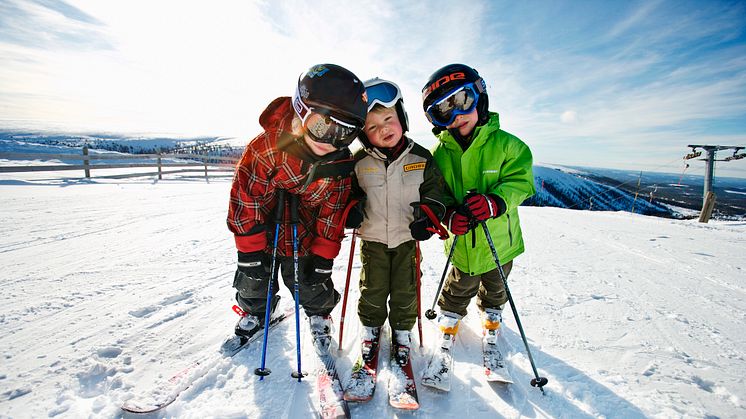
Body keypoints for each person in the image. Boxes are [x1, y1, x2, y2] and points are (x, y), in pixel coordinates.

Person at [227, 63, 367, 354]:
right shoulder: (268, 146)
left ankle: (319, 313)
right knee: (255, 278)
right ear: (302, 110)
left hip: (303, 232)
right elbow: (246, 196)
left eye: (345, 134)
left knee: (309, 280)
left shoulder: (338, 165)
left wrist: (323, 256)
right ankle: (256, 311)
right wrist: (249, 250)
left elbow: (333, 212)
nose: (330, 141)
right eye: (321, 125)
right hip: (263, 227)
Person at [421, 63, 535, 350]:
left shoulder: (509, 146)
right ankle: (450, 314)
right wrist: (448, 216)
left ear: (480, 97)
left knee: (497, 284)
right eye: (443, 111)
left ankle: (492, 312)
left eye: (462, 101)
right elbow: (437, 194)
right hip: (463, 245)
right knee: (459, 284)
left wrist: (495, 201)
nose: (456, 116)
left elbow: (521, 182)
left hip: (500, 241)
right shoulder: (439, 156)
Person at [351, 78, 450, 365]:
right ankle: (370, 328)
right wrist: (352, 210)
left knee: (407, 288)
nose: (383, 129)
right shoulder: (358, 162)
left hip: (408, 239)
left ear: (402, 118)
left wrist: (428, 218)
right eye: (372, 126)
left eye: (388, 119)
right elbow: (350, 194)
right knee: (373, 288)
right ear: (363, 134)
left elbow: (436, 194)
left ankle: (403, 331)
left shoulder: (421, 157)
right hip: (372, 240)